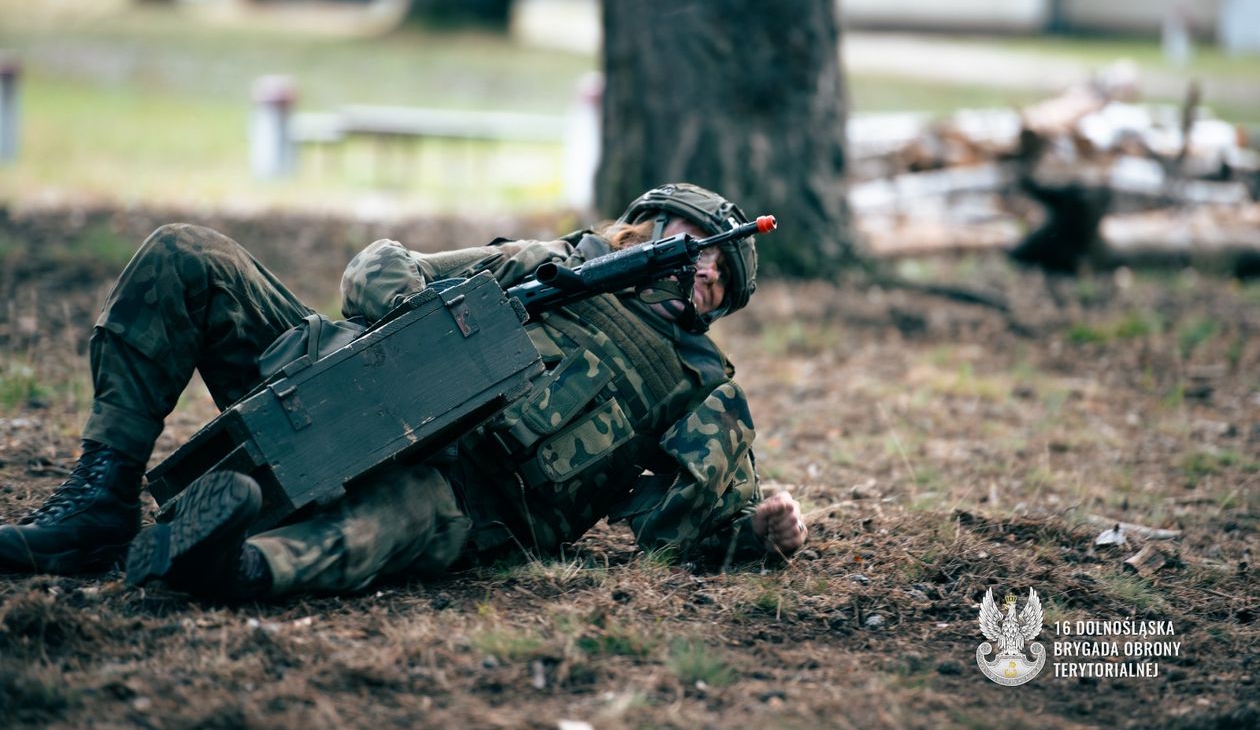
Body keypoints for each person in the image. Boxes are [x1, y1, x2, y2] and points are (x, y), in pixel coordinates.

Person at [0, 183, 807, 598]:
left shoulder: (702, 384)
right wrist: (423, 328)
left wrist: (766, 530)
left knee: (388, 524)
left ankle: (230, 564)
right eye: (696, 246)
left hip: (470, 492)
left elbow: (703, 522)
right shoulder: (550, 263)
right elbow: (379, 267)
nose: (702, 270)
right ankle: (99, 498)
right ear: (650, 225)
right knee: (188, 255)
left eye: (719, 277)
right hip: (353, 388)